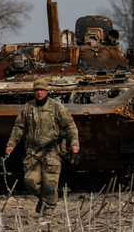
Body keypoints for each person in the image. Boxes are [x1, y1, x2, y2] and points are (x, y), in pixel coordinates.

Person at [5, 78, 79, 216]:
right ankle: (42, 199)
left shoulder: (56, 107)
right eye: (37, 90)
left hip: (53, 151)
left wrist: (74, 143)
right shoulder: (28, 107)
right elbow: (19, 128)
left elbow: (70, 125)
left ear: (47, 91)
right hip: (33, 150)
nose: (39, 92)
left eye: (42, 90)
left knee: (50, 185)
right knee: (30, 182)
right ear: (34, 91)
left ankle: (49, 210)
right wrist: (11, 144)